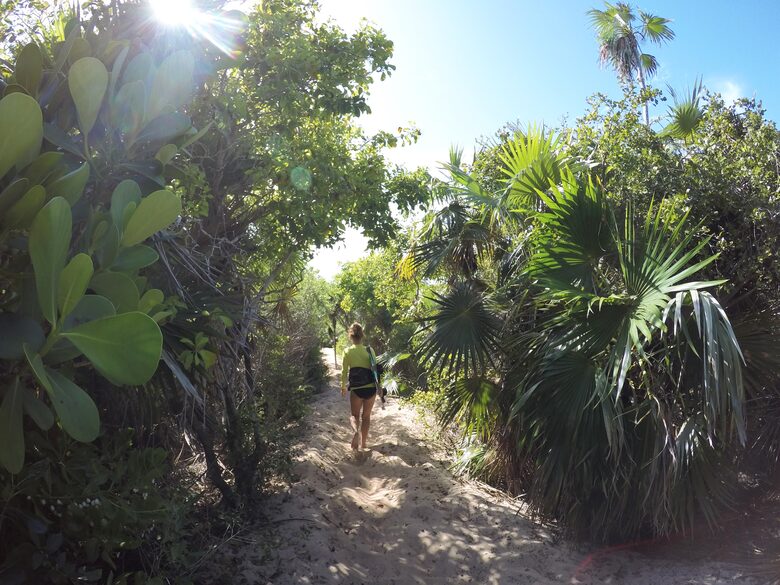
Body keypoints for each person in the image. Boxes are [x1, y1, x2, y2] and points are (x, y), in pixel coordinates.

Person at [340, 322, 379, 450]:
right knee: (366, 417)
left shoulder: (347, 351)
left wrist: (343, 387)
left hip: (356, 389)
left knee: (354, 415)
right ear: (362, 335)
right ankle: (364, 444)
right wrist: (380, 387)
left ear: (350, 336)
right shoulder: (370, 350)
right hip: (370, 388)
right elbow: (375, 370)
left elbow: (344, 371)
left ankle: (356, 431)